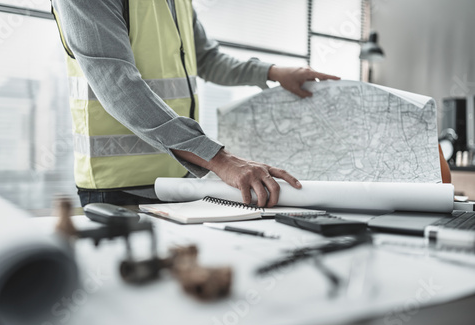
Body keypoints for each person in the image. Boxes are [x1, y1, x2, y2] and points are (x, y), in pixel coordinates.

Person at [51, 0, 340, 208]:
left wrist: (272, 72)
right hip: (119, 189)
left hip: (180, 180)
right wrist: (220, 160)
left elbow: (208, 59)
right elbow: (117, 84)